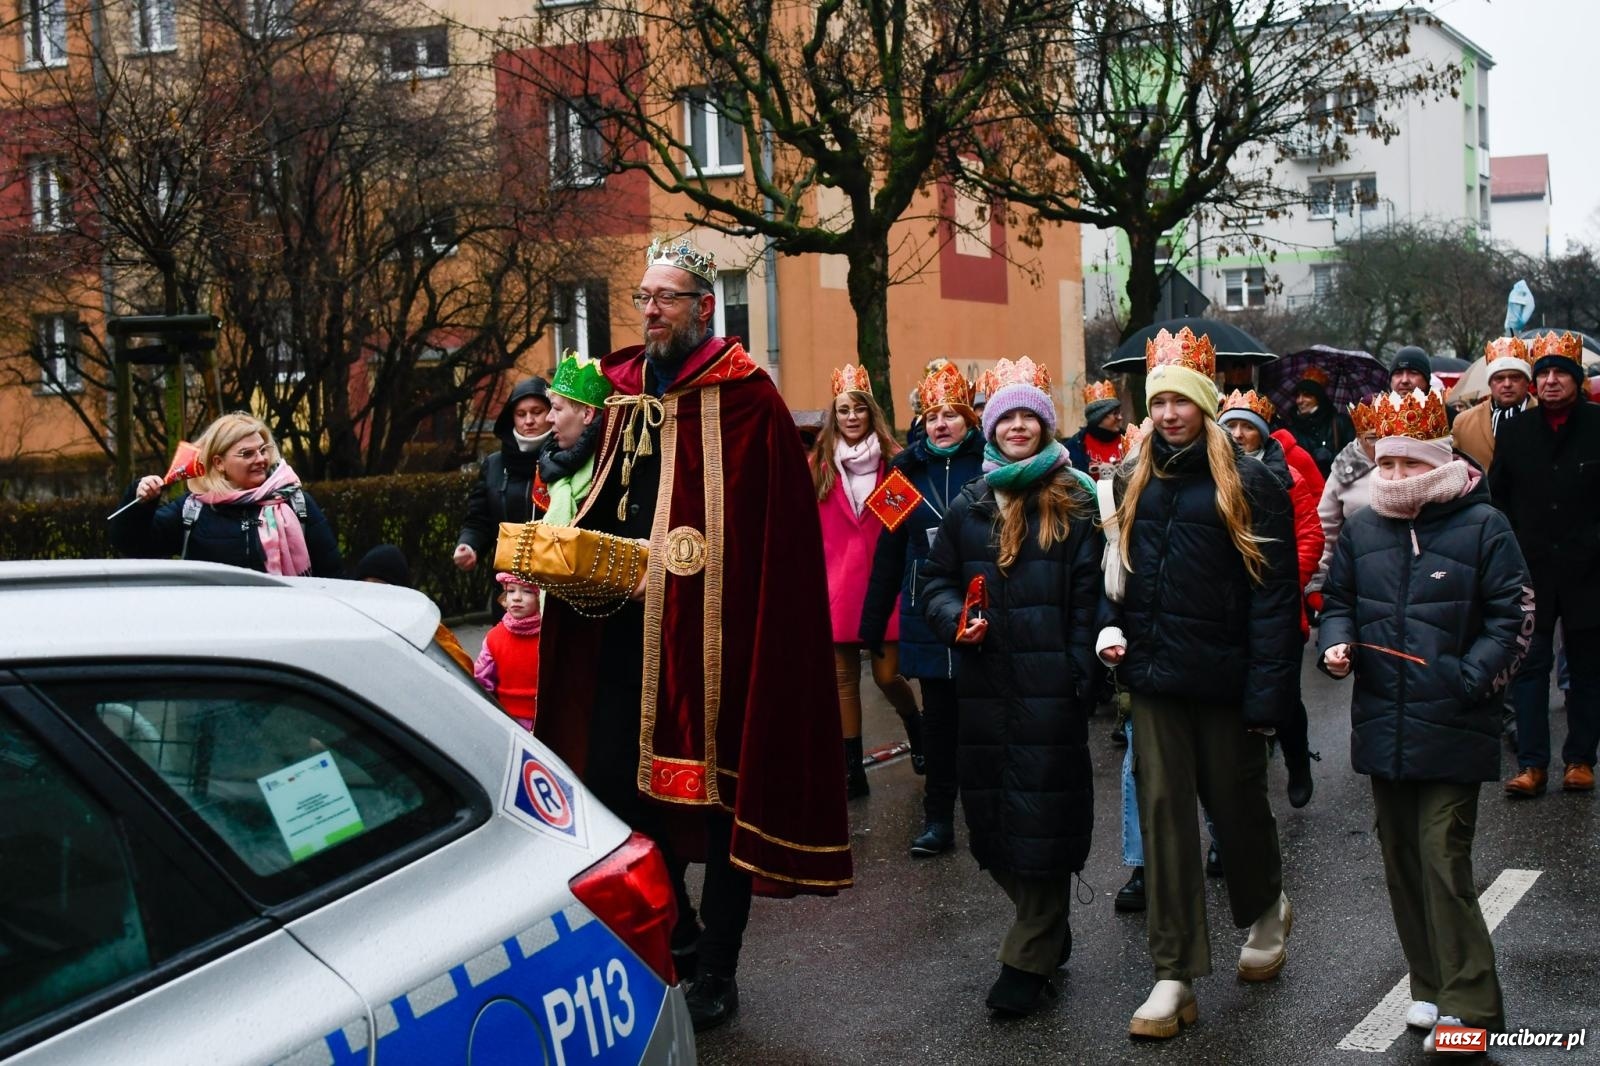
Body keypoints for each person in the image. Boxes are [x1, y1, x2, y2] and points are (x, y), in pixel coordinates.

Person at [534, 235, 850, 1031]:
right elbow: (583, 481)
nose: (650, 310)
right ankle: (678, 934)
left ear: (704, 307)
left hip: (716, 642)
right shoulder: (620, 388)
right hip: (624, 635)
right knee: (619, 788)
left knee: (717, 802)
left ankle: (718, 967)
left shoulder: (748, 398)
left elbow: (779, 538)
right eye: (643, 297)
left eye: (665, 298)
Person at [1096, 327, 1300, 1040]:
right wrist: (1108, 627)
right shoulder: (1130, 478)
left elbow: (1274, 599)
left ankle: (1266, 908)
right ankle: (1173, 973)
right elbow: (1112, 574)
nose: (1169, 413)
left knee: (1236, 810)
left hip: (1224, 679)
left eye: (1181, 401)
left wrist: (1268, 696)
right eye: (1158, 402)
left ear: (1205, 406)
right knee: (1164, 818)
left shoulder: (1251, 482)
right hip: (1154, 678)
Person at [1319, 387, 1528, 1051]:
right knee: (1403, 863)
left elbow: (1515, 617)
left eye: (1411, 462)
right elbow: (1337, 600)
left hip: (1455, 721)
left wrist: (1468, 679)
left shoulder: (1483, 525)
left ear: (1438, 459)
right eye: (1388, 463)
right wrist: (1336, 644)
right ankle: (1429, 985)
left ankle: (1471, 1008)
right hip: (1384, 722)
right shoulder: (1363, 527)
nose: (1398, 474)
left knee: (1443, 859)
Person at [919, 357, 1101, 1018]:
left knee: (1043, 823)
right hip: (984, 687)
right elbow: (935, 584)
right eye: (1007, 417)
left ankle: (1025, 960)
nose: (1018, 426)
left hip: (1051, 690)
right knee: (992, 827)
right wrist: (954, 619)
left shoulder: (1075, 499)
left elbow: (1090, 599)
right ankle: (1047, 929)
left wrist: (1078, 674)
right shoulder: (970, 504)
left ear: (1045, 426)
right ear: (991, 428)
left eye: (1030, 416)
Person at [860, 361, 986, 857]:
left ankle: (987, 818)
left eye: (950, 415)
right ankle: (938, 819)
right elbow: (888, 550)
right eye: (932, 416)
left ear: (968, 420)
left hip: (980, 604)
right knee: (937, 721)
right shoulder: (903, 473)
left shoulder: (990, 463)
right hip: (926, 608)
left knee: (980, 719)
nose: (941, 424)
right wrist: (873, 620)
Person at [1491, 331, 1600, 797]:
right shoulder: (1515, 431)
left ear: (1577, 379)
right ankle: (1532, 764)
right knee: (1530, 668)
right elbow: (1498, 499)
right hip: (1531, 571)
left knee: (1587, 669)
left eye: (1561, 373)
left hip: (1589, 570)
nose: (1551, 380)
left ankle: (1580, 759)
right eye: (1544, 373)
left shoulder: (1596, 426)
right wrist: (1509, 552)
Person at [813, 363, 922, 798]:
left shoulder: (896, 463)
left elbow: (902, 530)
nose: (852, 417)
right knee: (843, 682)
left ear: (871, 412)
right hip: (836, 587)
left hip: (883, 587)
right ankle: (851, 770)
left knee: (887, 676)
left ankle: (916, 726)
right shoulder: (818, 465)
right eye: (843, 410)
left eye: (859, 409)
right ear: (834, 415)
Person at [1220, 390, 1325, 808]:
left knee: (1282, 695)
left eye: (1247, 427)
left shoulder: (1288, 476)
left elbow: (1310, 534)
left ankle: (1298, 759)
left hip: (1278, 605)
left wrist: (1281, 584)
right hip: (1228, 606)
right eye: (1231, 425)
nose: (1238, 434)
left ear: (1262, 433)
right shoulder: (1213, 472)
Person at [112, 411, 343, 577]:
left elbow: (332, 575)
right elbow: (131, 544)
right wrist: (140, 501)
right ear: (219, 463)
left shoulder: (296, 502)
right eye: (247, 454)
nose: (261, 459)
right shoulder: (193, 510)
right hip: (215, 627)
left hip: (286, 625)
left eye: (263, 450)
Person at [453, 376, 551, 591]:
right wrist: (469, 545)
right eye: (521, 414)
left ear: (552, 413)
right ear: (511, 418)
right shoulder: (495, 464)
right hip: (509, 586)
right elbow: (479, 519)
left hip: (554, 580)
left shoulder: (566, 457)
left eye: (537, 412)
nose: (529, 421)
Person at [350, 543, 474, 675]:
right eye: (363, 586)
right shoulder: (352, 630)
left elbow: (460, 676)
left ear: (400, 593)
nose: (369, 593)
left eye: (378, 586)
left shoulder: (429, 635)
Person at [1307, 400, 1380, 602]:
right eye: (1373, 438)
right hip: (1353, 570)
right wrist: (1318, 580)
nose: (1381, 445)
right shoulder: (1344, 468)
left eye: (1387, 436)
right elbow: (1326, 528)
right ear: (1359, 437)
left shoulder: (1405, 465)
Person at [541, 353, 612, 527]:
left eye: (557, 409)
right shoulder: (546, 465)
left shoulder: (613, 471)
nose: (548, 418)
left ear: (587, 414)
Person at [1453, 338, 1534, 472]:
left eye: (1515, 377)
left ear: (1527, 381)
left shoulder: (1545, 416)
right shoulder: (1463, 423)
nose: (1507, 384)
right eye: (1499, 378)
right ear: (1490, 383)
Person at [473, 572, 541, 731]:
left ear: (539, 599)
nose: (517, 597)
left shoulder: (549, 636)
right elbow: (482, 683)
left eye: (527, 591)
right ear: (504, 597)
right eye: (511, 591)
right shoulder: (494, 637)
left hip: (545, 721)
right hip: (508, 721)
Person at [1284, 367, 1354, 476]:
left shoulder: (1340, 423)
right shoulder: (1292, 429)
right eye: (1298, 395)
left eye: (1307, 395)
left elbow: (1354, 458)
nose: (1300, 400)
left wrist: (1332, 458)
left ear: (1318, 398)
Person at [1063, 379, 1126, 477]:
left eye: (1120, 412)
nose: (1120, 417)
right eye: (1115, 413)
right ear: (1100, 417)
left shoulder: (1128, 439)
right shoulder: (1074, 447)